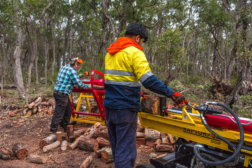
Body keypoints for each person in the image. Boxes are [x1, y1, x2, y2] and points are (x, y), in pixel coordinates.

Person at [104, 23, 187, 168]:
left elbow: (121, 81)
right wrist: (172, 93)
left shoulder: (111, 53)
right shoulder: (134, 52)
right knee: (126, 151)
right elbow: (148, 81)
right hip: (125, 108)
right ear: (137, 37)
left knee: (117, 147)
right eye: (142, 41)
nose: (141, 44)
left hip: (110, 107)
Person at [50, 57, 90, 133]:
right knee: (59, 112)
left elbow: (69, 78)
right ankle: (53, 130)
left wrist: (80, 76)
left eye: (79, 65)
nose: (78, 66)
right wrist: (89, 86)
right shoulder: (72, 71)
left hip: (58, 93)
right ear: (73, 63)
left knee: (68, 110)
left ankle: (66, 127)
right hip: (62, 94)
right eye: (77, 64)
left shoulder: (64, 68)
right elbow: (78, 84)